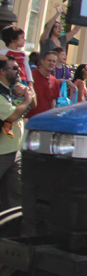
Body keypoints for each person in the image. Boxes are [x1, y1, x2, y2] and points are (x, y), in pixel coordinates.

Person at [0, 56, 33, 211]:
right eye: (13, 68)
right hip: (2, 152)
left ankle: (11, 229)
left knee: (16, 195)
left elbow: (34, 103)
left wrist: (27, 91)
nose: (18, 70)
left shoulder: (11, 90)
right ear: (2, 71)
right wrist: (26, 100)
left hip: (14, 150)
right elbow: (12, 115)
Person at [28, 52, 60, 118]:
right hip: (29, 119)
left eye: (54, 61)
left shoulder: (55, 81)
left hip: (43, 121)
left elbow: (52, 102)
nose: (51, 63)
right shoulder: (30, 76)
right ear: (42, 61)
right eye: (49, 60)